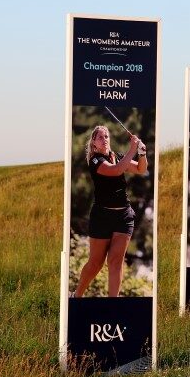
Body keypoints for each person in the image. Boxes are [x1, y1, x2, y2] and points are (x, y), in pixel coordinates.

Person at [74, 125, 148, 298]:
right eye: (100, 137)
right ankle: (77, 296)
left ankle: (112, 305)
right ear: (94, 143)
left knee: (116, 262)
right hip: (102, 217)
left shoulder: (117, 157)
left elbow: (141, 169)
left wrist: (142, 153)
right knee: (95, 263)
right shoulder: (95, 161)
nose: (105, 139)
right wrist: (132, 149)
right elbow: (115, 171)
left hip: (123, 217)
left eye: (106, 136)